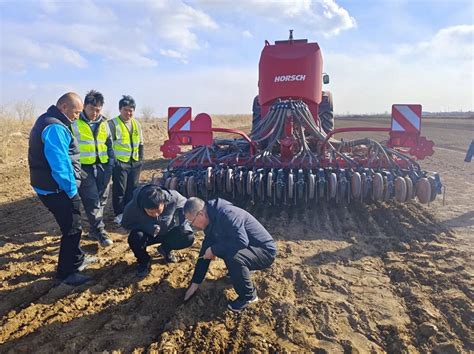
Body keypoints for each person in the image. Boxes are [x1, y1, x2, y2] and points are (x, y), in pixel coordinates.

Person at [28, 92, 96, 286]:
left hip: (46, 186)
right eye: (75, 112)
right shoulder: (55, 128)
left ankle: (78, 258)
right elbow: (60, 165)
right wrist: (72, 191)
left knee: (71, 226)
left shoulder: (47, 120)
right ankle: (66, 273)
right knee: (73, 229)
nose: (77, 116)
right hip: (57, 190)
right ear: (63, 107)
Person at [183, 197, 277, 312]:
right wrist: (195, 283)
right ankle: (240, 271)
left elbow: (241, 241)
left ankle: (249, 297)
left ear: (201, 214)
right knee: (222, 249)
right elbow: (205, 252)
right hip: (249, 249)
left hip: (264, 251)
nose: (194, 226)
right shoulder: (211, 221)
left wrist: (214, 249)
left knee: (232, 256)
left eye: (192, 222)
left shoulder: (227, 214)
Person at [121, 184, 195, 277]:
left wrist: (183, 223)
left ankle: (165, 249)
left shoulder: (174, 197)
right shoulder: (132, 207)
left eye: (158, 210)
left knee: (187, 236)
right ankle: (144, 261)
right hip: (147, 235)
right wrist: (148, 227)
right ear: (143, 207)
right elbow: (126, 224)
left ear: (163, 202)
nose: (155, 214)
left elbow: (186, 206)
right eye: (151, 212)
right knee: (135, 238)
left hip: (167, 232)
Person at [71, 90, 114, 247]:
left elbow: (109, 144)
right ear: (84, 107)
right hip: (84, 168)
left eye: (98, 110)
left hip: (103, 167)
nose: (95, 113)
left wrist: (110, 163)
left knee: (102, 199)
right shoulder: (74, 124)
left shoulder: (104, 123)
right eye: (92, 109)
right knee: (92, 200)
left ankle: (94, 229)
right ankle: (100, 231)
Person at [108, 95, 144, 224]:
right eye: (126, 110)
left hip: (134, 163)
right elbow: (108, 145)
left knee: (132, 189)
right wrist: (115, 162)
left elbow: (140, 143)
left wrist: (140, 159)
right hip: (120, 164)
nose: (129, 113)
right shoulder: (112, 124)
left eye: (131, 110)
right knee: (119, 191)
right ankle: (119, 215)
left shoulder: (136, 124)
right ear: (120, 109)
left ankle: (129, 213)